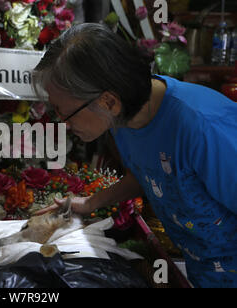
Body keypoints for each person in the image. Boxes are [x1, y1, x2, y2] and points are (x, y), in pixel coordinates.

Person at [33, 23, 237, 288]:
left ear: (108, 101)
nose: (63, 123)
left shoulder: (204, 128)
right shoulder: (123, 118)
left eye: (65, 112)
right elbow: (150, 172)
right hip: (204, 272)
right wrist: (91, 203)